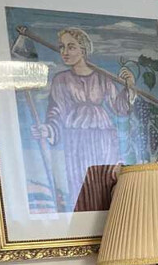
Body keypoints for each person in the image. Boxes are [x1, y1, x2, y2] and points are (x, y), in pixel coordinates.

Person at [31, 27, 137, 211]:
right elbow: (56, 111)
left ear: (83, 50)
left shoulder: (103, 77)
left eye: (71, 47)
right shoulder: (61, 80)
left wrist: (129, 87)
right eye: (62, 47)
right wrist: (48, 129)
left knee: (105, 183)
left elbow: (119, 108)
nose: (64, 52)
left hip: (104, 136)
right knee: (80, 184)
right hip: (76, 138)